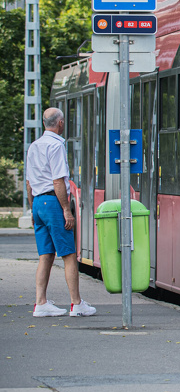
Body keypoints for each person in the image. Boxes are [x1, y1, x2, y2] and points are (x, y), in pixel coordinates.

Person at [25, 107, 96, 317]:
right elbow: (58, 181)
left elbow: (29, 183)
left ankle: (40, 303)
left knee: (45, 255)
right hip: (53, 203)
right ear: (60, 123)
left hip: (38, 203)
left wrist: (32, 209)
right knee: (69, 254)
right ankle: (76, 304)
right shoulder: (56, 146)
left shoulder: (34, 146)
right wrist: (67, 209)